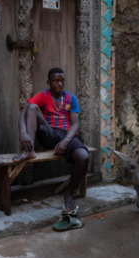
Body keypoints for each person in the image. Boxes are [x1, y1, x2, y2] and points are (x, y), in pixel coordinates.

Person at [13, 67, 89, 215]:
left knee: (83, 157)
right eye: (55, 81)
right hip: (48, 134)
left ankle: (69, 194)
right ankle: (29, 150)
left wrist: (67, 140)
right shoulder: (43, 96)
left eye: (62, 81)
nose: (59, 84)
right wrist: (23, 132)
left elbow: (75, 124)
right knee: (33, 107)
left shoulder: (71, 98)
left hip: (67, 136)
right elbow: (25, 112)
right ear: (49, 82)